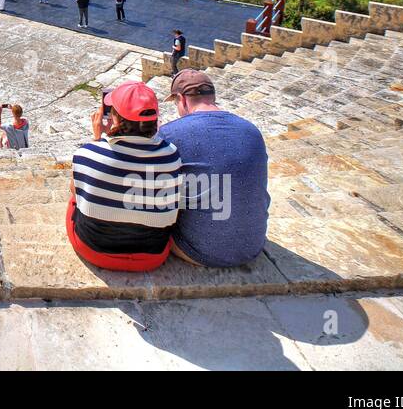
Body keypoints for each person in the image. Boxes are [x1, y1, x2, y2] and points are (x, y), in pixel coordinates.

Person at [159, 70, 269, 268]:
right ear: (213, 96)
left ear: (182, 100)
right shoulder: (252, 130)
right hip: (252, 245)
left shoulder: (170, 133)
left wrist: (157, 136)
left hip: (199, 251)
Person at [68, 81, 181, 271]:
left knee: (76, 194)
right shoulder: (172, 156)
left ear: (116, 119)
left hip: (94, 250)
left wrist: (97, 141)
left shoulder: (87, 154)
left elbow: (76, 192)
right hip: (152, 256)